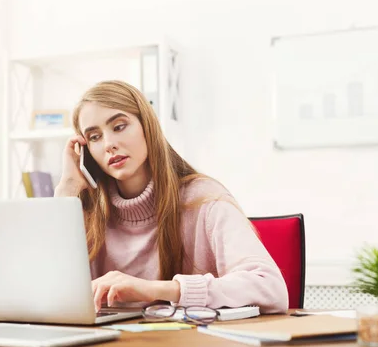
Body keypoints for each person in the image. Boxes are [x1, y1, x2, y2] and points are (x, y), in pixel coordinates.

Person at [54, 80, 289, 314]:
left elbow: (271, 288)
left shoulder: (205, 198)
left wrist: (158, 290)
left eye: (119, 126)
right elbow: (53, 296)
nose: (109, 145)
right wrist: (67, 190)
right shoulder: (88, 213)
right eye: (94, 137)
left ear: (147, 126)